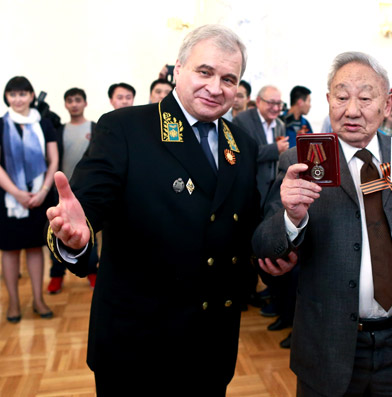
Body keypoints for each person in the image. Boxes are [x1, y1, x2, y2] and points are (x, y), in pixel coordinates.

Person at [46, 24, 260, 396]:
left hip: (211, 346)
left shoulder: (241, 142)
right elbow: (83, 209)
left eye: (229, 78)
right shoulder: (126, 129)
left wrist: (282, 236)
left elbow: (247, 225)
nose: (216, 87)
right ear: (178, 69)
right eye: (204, 71)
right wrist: (76, 239)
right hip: (138, 347)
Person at [252, 51, 392, 396]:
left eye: (365, 98)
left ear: (387, 104)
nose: (352, 110)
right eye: (341, 97)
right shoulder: (300, 160)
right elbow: (266, 245)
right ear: (329, 101)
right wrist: (292, 217)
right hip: (329, 342)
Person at [1, 76, 57, 323]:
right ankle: (13, 303)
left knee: (36, 248)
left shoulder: (44, 124)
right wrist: (17, 193)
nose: (18, 98)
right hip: (9, 200)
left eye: (23, 94)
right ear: (7, 97)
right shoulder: (1, 125)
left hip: (39, 196)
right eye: (13, 94)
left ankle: (38, 299)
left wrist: (44, 191)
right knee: (10, 251)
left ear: (32, 96)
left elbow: (53, 160)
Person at [47, 88, 98, 294]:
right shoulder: (59, 130)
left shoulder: (95, 128)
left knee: (87, 231)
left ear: (85, 103)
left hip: (86, 192)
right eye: (70, 100)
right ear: (65, 104)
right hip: (61, 192)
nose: (74, 104)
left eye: (78, 100)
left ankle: (92, 271)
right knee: (58, 231)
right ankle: (56, 275)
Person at [233, 85, 287, 207]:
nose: (276, 108)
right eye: (271, 103)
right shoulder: (242, 120)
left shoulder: (280, 125)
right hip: (250, 189)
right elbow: (243, 154)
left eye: (279, 104)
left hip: (273, 193)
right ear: (258, 101)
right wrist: (275, 149)